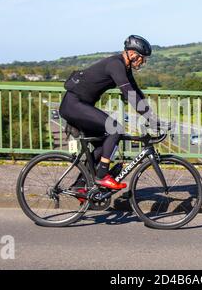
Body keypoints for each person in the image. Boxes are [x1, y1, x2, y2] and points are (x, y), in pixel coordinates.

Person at [59, 35, 157, 190]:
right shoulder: (115, 64)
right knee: (115, 129)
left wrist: (151, 117)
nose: (143, 62)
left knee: (103, 145)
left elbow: (136, 92)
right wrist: (148, 118)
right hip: (74, 104)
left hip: (79, 105)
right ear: (132, 54)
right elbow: (128, 94)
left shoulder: (124, 68)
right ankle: (102, 176)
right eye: (142, 58)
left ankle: (79, 186)